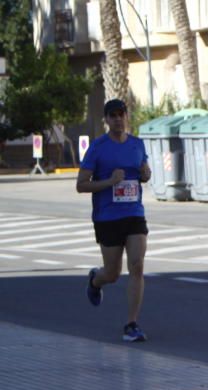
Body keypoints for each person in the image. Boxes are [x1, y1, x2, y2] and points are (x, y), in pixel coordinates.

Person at [76, 98, 152, 343]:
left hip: (134, 213)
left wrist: (145, 174)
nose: (118, 119)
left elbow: (143, 171)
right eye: (113, 116)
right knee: (112, 273)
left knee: (137, 266)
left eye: (121, 114)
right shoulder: (98, 148)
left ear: (126, 116)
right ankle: (95, 280)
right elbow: (81, 185)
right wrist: (109, 182)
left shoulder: (137, 145)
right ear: (106, 120)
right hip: (107, 216)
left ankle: (132, 324)